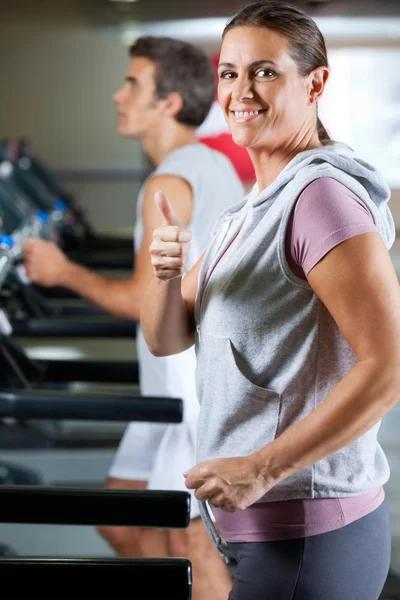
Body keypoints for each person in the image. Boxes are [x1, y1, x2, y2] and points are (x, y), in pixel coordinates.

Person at [140, 3, 400, 599]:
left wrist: (262, 468)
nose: (240, 91)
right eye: (229, 73)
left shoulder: (320, 199)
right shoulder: (248, 210)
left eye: (264, 71)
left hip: (310, 536)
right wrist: (165, 269)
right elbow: (167, 336)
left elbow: (388, 368)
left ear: (316, 83)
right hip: (263, 533)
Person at [23, 35, 245, 599]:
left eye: (132, 84)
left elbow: (142, 302)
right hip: (174, 393)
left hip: (190, 396)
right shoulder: (211, 163)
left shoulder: (167, 182)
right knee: (121, 518)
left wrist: (62, 271)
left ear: (168, 103)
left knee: (193, 542)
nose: (117, 95)